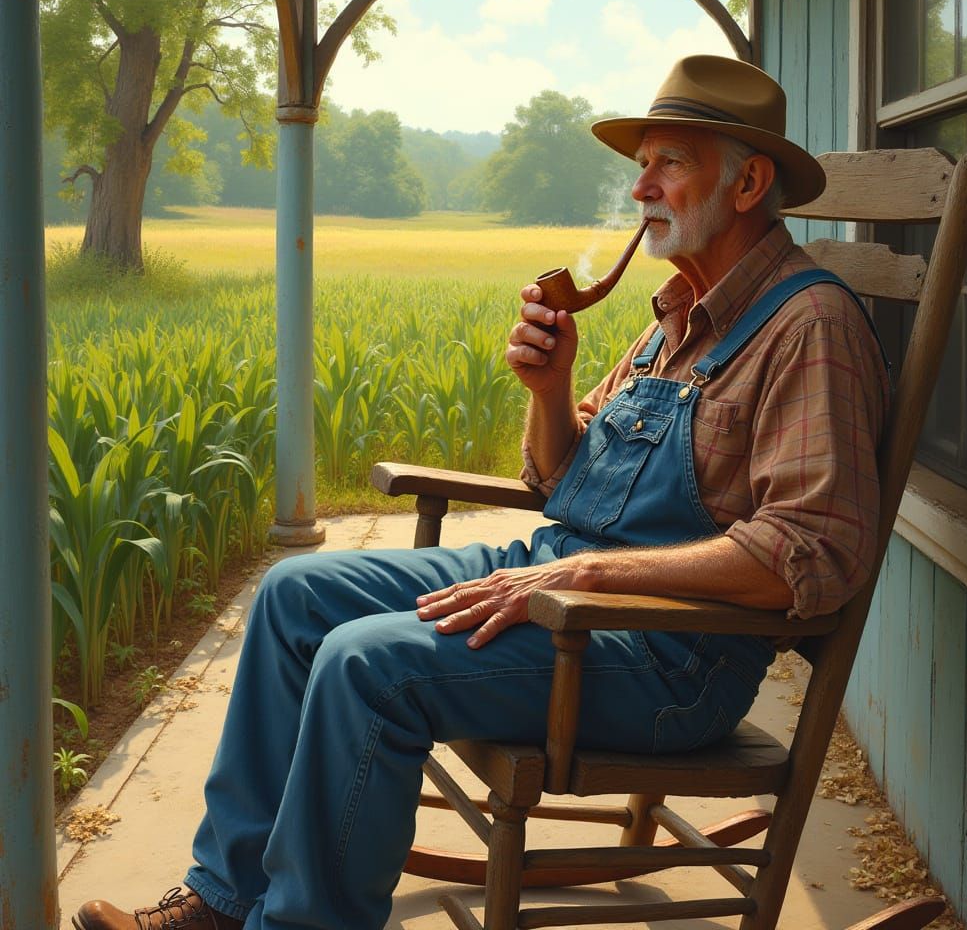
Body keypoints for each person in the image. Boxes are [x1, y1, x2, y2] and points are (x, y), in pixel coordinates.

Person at [74, 55, 890, 930]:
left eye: (668, 163)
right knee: (293, 595)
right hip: (561, 582)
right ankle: (223, 899)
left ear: (748, 182)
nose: (641, 186)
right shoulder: (673, 321)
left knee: (366, 666)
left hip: (661, 658)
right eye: (639, 164)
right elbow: (562, 483)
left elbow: (813, 551)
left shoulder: (809, 327)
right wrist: (549, 390)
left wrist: (578, 584)